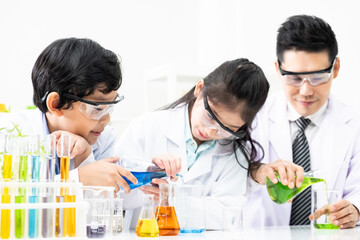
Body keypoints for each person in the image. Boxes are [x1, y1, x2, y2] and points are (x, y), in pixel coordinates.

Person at [115, 58, 270, 229]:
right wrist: (148, 174)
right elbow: (115, 194)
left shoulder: (235, 152)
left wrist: (172, 199)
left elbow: (228, 215)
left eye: (228, 128)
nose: (212, 131)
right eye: (211, 116)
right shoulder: (146, 127)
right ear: (199, 89)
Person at [243, 15, 360, 228]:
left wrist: (355, 209)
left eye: (317, 77)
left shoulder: (355, 124)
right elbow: (224, 179)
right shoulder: (252, 118)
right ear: (278, 69)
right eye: (294, 78)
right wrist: (256, 172)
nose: (305, 91)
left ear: (335, 68)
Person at [0, 38, 137, 193]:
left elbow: (104, 206)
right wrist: (77, 179)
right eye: (98, 109)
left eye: (109, 107)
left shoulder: (103, 138)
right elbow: (14, 201)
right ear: (56, 104)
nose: (106, 120)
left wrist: (85, 156)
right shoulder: (9, 134)